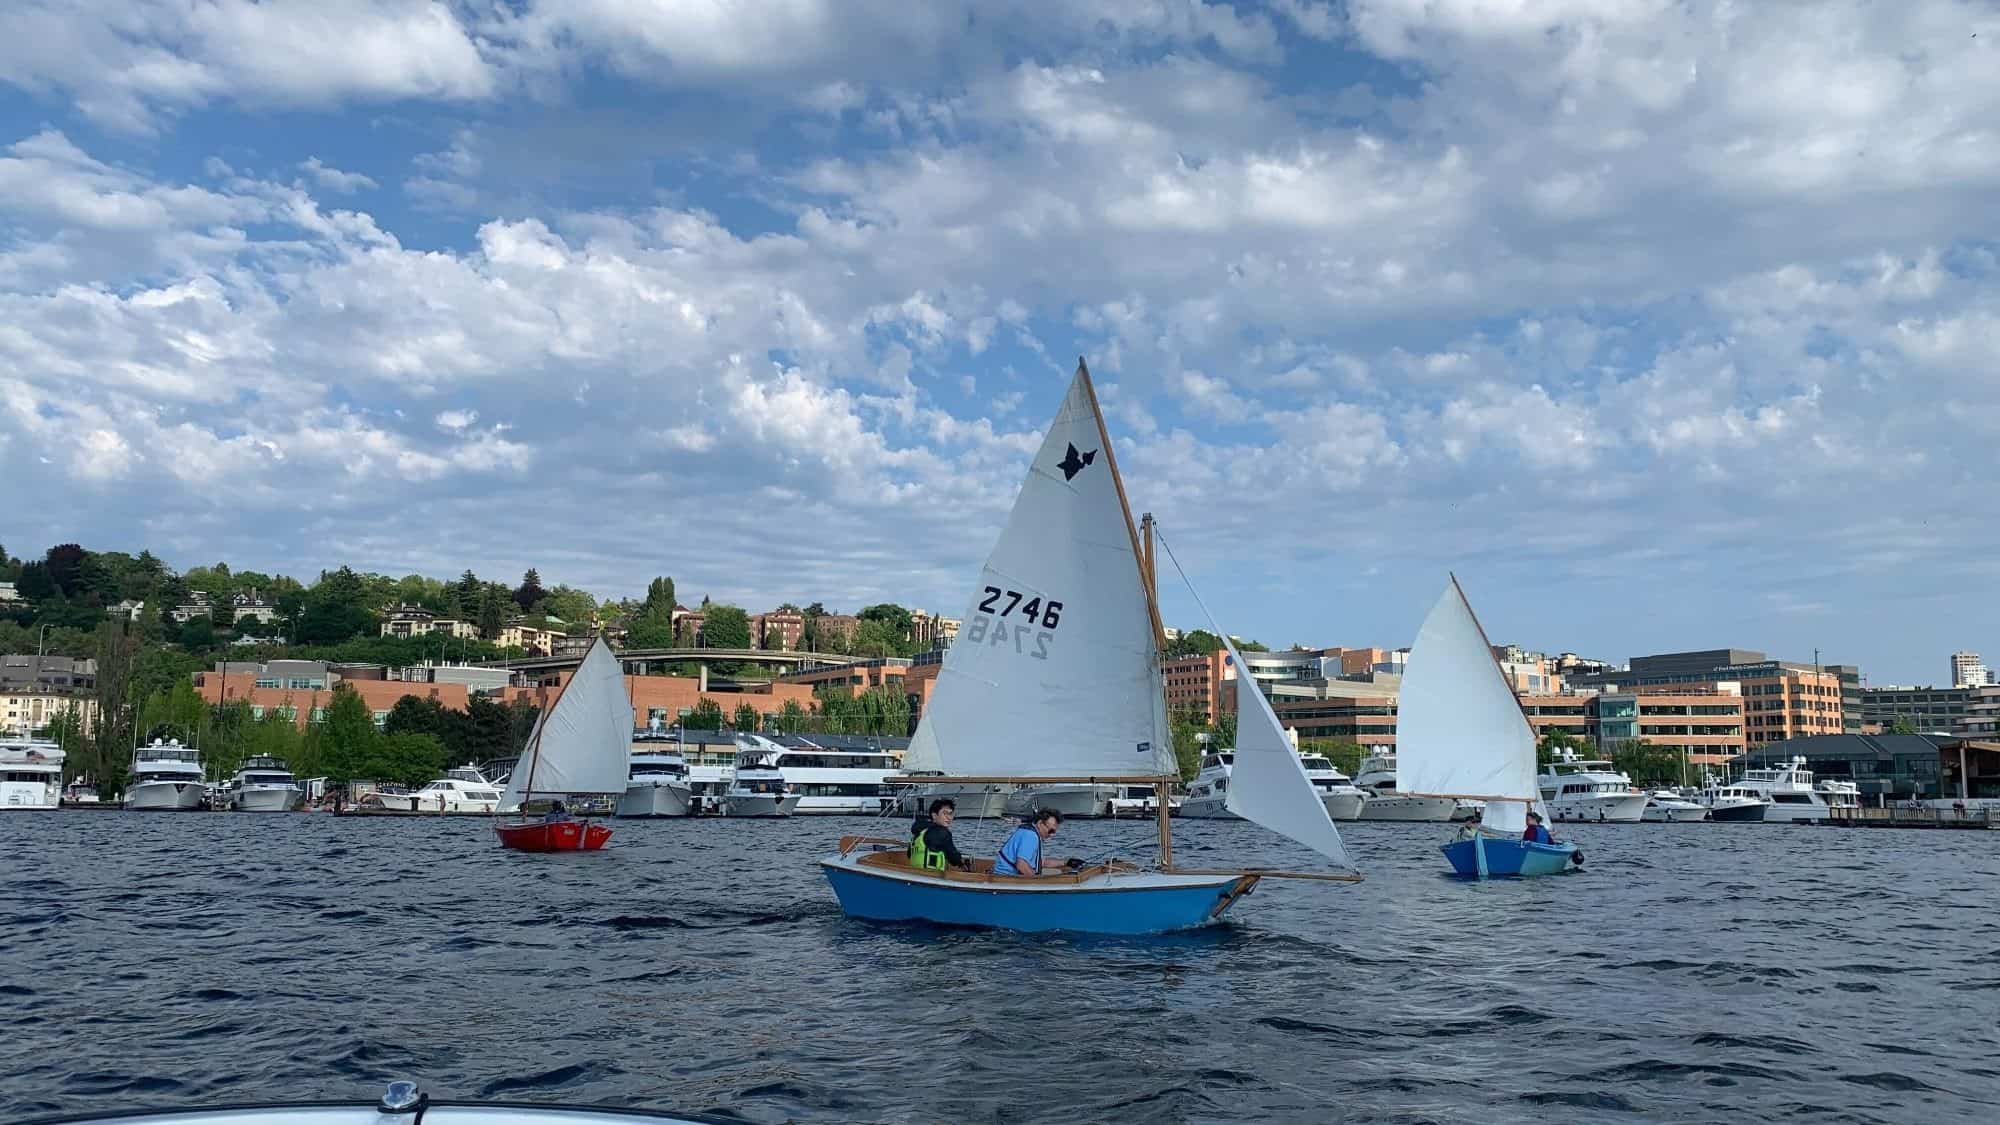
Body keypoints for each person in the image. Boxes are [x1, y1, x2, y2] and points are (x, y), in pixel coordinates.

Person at [908, 798, 971, 872]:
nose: (949, 818)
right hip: (932, 876)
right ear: (934, 815)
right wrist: (961, 864)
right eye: (944, 813)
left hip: (915, 873)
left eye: (950, 814)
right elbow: (954, 858)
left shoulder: (920, 831)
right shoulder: (942, 832)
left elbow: (909, 854)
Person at [994, 808, 1062, 877]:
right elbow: (1021, 865)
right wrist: (1037, 882)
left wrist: (1064, 863)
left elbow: (1042, 862)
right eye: (1051, 831)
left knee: (1059, 872)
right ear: (1040, 823)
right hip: (1007, 876)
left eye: (1054, 832)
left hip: (1006, 874)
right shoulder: (1031, 836)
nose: (1052, 835)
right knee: (1058, 876)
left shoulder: (1031, 832)